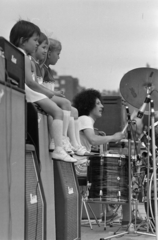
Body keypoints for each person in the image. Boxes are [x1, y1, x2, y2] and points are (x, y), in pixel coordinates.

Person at [9, 19, 77, 163]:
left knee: (54, 112)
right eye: (35, 40)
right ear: (23, 40)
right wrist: (49, 93)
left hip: (25, 91)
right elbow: (30, 82)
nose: (36, 44)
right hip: (28, 92)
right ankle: (58, 147)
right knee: (57, 112)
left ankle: (58, 143)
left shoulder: (17, 55)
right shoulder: (25, 58)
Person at [73, 89, 125, 222]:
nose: (102, 106)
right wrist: (113, 137)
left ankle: (110, 211)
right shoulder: (85, 119)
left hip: (79, 163)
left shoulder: (84, 120)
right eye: (98, 103)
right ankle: (114, 212)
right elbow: (93, 140)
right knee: (117, 171)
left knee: (111, 167)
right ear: (89, 105)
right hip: (79, 165)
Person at [42, 37, 89, 160]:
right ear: (49, 53)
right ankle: (62, 138)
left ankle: (75, 143)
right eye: (58, 54)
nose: (59, 57)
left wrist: (56, 93)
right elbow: (41, 87)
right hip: (45, 97)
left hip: (49, 95)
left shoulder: (49, 70)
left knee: (74, 111)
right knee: (66, 104)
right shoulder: (42, 68)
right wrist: (54, 93)